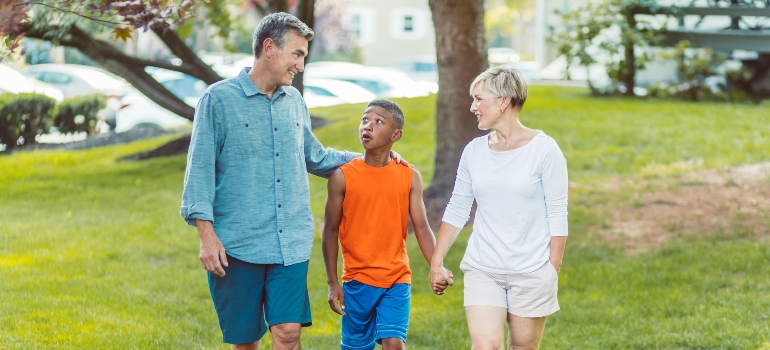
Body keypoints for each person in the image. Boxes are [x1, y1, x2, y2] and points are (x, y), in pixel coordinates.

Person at [180, 13, 406, 350]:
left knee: (287, 334)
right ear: (269, 48)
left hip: (290, 243)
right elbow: (198, 173)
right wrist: (206, 236)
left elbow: (314, 156)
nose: (300, 65)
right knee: (246, 342)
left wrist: (369, 160)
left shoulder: (294, 102)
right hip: (237, 246)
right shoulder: (218, 101)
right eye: (297, 54)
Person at [429, 66, 568, 349]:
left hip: (532, 270)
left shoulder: (545, 150)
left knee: (522, 347)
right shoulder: (474, 151)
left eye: (479, 99)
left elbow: (557, 212)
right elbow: (458, 207)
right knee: (485, 346)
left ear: (504, 101)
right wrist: (437, 262)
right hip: (484, 267)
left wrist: (551, 268)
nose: (473, 107)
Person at [322, 100, 451, 350]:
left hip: (396, 278)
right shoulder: (342, 177)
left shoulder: (409, 176)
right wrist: (332, 282)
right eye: (365, 120)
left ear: (396, 135)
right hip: (357, 280)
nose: (367, 126)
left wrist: (437, 265)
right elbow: (329, 230)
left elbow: (422, 227)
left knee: (394, 343)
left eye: (378, 121)